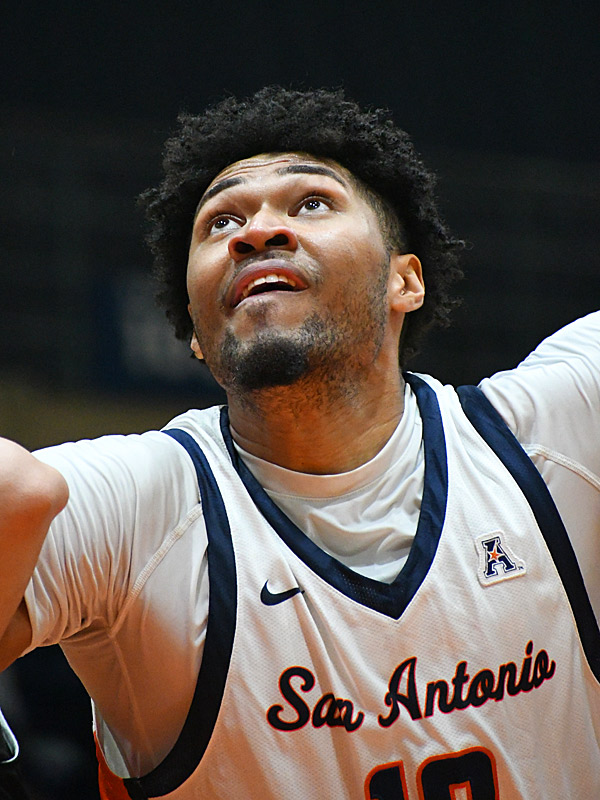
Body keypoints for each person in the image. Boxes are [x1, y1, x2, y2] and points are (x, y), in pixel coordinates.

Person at [0, 86, 598, 799]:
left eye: (311, 203)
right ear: (196, 332)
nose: (256, 232)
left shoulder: (553, 435)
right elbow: (15, 490)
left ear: (405, 280)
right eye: (222, 221)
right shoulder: (146, 511)